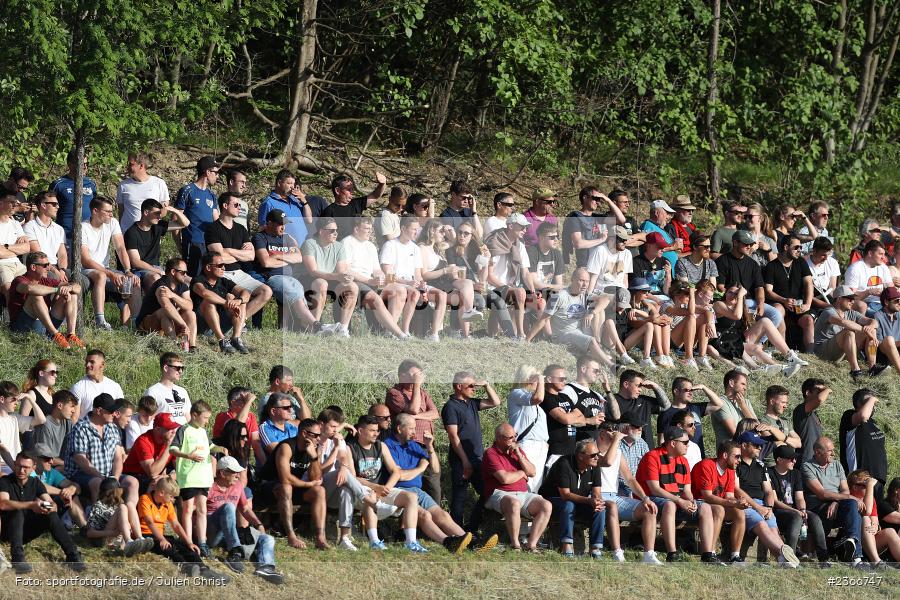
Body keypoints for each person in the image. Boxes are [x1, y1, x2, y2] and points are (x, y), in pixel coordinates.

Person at [383, 414, 474, 553]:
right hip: (399, 491)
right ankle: (448, 542)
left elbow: (436, 469)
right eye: (412, 428)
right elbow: (400, 476)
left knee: (443, 515)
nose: (415, 432)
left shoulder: (414, 445)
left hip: (417, 491)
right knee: (424, 515)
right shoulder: (388, 445)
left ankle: (472, 543)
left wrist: (430, 447)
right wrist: (420, 468)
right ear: (399, 429)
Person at [636, 426, 724, 563]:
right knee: (670, 505)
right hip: (653, 500)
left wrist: (691, 501)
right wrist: (680, 501)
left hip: (675, 500)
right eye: (684, 442)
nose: (688, 445)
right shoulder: (652, 457)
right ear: (672, 443)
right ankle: (672, 553)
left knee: (705, 507)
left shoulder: (683, 461)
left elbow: (686, 491)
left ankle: (707, 554)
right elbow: (655, 489)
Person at [64, 393, 143, 541]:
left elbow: (118, 457)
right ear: (99, 411)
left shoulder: (112, 428)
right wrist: (103, 478)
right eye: (111, 411)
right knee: (97, 483)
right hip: (80, 474)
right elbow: (80, 460)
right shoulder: (81, 428)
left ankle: (128, 519)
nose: (115, 414)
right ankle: (98, 526)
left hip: (108, 473)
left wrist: (115, 478)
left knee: (132, 482)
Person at [344, 415, 428, 553]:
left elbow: (395, 471)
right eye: (372, 430)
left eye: (377, 430)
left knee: (411, 497)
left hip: (380, 490)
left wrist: (386, 488)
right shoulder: (350, 448)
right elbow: (353, 477)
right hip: (361, 492)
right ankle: (374, 541)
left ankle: (411, 542)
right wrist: (375, 487)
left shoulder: (381, 446)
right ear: (360, 431)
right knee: (370, 497)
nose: (376, 433)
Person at [0, 451, 85, 573]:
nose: (21, 470)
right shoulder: (5, 481)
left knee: (50, 514)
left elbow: (51, 503)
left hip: (25, 531)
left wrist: (51, 506)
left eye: (26, 467)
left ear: (33, 468)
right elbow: (3, 503)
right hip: (7, 530)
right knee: (17, 511)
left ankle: (73, 555)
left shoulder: (36, 483)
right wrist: (31, 505)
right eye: (19, 466)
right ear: (14, 464)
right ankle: (17, 558)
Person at [206, 456, 284, 582]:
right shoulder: (209, 487)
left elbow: (245, 509)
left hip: (231, 532)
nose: (238, 475)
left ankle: (266, 567)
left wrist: (258, 524)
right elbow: (195, 511)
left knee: (267, 538)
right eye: (234, 472)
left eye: (238, 472)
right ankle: (235, 553)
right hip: (212, 532)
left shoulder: (237, 486)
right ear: (222, 472)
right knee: (228, 507)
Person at [441, 371, 502, 532]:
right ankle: (456, 531)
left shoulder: (472, 403)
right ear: (459, 386)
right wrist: (465, 460)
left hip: (477, 458)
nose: (474, 388)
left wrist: (487, 385)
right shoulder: (450, 407)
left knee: (487, 492)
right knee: (459, 497)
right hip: (461, 460)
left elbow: (496, 402)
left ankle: (472, 528)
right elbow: (453, 436)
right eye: (470, 385)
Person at [255, 418, 329, 550]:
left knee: (319, 491)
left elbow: (316, 478)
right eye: (316, 435)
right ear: (304, 433)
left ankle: (320, 537)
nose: (319, 438)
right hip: (268, 487)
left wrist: (313, 457)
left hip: (293, 488)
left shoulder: (313, 449)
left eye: (320, 435)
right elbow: (285, 478)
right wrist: (307, 485)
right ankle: (291, 536)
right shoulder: (287, 447)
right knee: (286, 488)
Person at [594, 422, 662, 564]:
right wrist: (618, 440)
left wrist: (645, 498)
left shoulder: (618, 453)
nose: (615, 432)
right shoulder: (592, 450)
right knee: (612, 505)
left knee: (649, 510)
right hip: (596, 494)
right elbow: (607, 461)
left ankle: (648, 554)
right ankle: (617, 552)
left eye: (615, 430)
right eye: (611, 430)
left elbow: (630, 479)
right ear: (601, 433)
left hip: (613, 495)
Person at [138, 477, 229, 581]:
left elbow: (176, 524)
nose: (173, 500)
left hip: (161, 536)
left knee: (185, 547)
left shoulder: (167, 504)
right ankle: (185, 566)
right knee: (168, 548)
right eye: (171, 496)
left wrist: (189, 542)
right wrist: (162, 539)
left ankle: (204, 569)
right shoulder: (145, 499)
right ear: (162, 493)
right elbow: (149, 523)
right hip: (147, 536)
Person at [342, 216, 419, 337]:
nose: (370, 231)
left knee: (400, 290)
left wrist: (381, 278)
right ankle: (398, 333)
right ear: (356, 229)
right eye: (366, 228)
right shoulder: (347, 242)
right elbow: (347, 270)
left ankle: (389, 331)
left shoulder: (370, 246)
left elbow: (377, 269)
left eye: (370, 228)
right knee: (377, 297)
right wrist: (370, 280)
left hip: (371, 281)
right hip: (355, 281)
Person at [733, 430, 801, 566]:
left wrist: (768, 507)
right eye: (756, 445)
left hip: (763, 505)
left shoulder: (761, 465)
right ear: (745, 445)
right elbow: (736, 489)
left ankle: (784, 560)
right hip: (744, 504)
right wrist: (758, 507)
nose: (760, 448)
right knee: (762, 525)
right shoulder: (736, 464)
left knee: (772, 528)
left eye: (760, 445)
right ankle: (786, 556)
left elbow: (769, 491)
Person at [482, 423, 552, 551]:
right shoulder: (491, 453)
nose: (514, 440)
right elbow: (504, 479)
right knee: (513, 503)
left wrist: (519, 455)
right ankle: (516, 545)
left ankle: (531, 544)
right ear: (499, 438)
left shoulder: (517, 452)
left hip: (523, 494)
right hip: (500, 493)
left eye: (515, 436)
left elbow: (532, 472)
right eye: (510, 438)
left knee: (546, 505)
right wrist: (521, 473)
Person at [527, 268, 613, 365]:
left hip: (579, 330)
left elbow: (606, 299)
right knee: (591, 340)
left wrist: (591, 314)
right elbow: (543, 319)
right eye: (581, 281)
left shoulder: (584, 295)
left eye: (587, 281)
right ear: (572, 280)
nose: (585, 285)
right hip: (563, 335)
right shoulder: (558, 296)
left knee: (598, 309)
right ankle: (612, 366)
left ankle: (597, 348)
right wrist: (527, 339)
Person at [251, 209, 320, 331]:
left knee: (300, 294)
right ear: (270, 223)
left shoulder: (287, 238)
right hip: (272, 277)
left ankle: (303, 327)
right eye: (279, 224)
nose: (283, 228)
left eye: (284, 224)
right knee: (295, 295)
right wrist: (288, 259)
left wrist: (277, 256)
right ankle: (315, 325)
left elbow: (299, 258)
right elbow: (266, 262)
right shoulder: (260, 237)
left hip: (290, 277)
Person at [801, 436, 865, 565]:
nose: (833, 453)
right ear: (818, 452)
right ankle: (855, 556)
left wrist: (836, 502)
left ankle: (854, 548)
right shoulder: (807, 466)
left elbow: (845, 490)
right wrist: (848, 497)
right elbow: (822, 494)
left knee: (852, 505)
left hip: (835, 505)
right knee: (852, 501)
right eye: (830, 450)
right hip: (818, 506)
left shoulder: (836, 464)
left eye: (833, 450)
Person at [80, 196, 142, 329]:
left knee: (133, 282)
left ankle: (137, 322)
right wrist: (110, 274)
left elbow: (120, 248)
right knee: (101, 276)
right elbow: (85, 260)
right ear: (95, 211)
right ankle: (100, 320)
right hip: (85, 268)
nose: (111, 214)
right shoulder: (83, 227)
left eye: (111, 211)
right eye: (107, 211)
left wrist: (128, 271)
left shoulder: (112, 222)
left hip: (104, 267)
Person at [385, 359, 442, 503]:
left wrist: (415, 417)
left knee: (433, 484)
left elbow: (435, 413)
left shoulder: (422, 392)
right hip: (408, 446)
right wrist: (416, 385)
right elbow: (413, 408)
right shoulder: (394, 393)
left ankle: (433, 517)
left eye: (418, 375)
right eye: (413, 374)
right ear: (402, 375)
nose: (417, 378)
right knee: (411, 483)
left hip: (426, 445)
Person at [538, 438, 606, 557]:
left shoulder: (594, 465)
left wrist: (596, 501)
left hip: (578, 501)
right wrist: (589, 500)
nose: (597, 457)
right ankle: (567, 546)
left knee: (600, 508)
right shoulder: (564, 463)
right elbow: (565, 494)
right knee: (569, 505)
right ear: (580, 456)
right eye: (593, 455)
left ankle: (595, 549)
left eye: (598, 454)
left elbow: (596, 491)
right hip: (553, 501)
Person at [170, 401, 221, 557]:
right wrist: (188, 456)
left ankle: (202, 542)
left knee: (202, 509)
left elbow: (211, 447)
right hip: (189, 477)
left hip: (203, 477)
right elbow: (173, 449)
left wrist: (221, 448)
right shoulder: (184, 430)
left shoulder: (203, 432)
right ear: (194, 415)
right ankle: (188, 541)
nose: (207, 421)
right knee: (187, 509)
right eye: (205, 418)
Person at [379, 217, 441, 339]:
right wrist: (407, 282)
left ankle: (406, 331)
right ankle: (390, 331)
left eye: (418, 229)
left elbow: (417, 274)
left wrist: (421, 283)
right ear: (403, 228)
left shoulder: (415, 248)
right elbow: (388, 275)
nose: (417, 232)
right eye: (414, 229)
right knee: (410, 292)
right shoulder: (390, 245)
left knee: (434, 294)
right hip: (392, 283)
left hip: (409, 284)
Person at [768, 444, 830, 565]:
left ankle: (823, 558)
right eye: (791, 459)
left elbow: (799, 497)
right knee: (796, 517)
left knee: (814, 518)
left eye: (795, 458)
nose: (794, 461)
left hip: (794, 510)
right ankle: (789, 557)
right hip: (778, 512)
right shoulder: (769, 473)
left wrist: (803, 510)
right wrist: (796, 512)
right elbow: (775, 501)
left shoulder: (795, 474)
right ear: (779, 460)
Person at [8, 252, 83, 348]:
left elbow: (78, 288)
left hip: (44, 326)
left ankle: (71, 335)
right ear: (33, 267)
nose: (49, 268)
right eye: (45, 265)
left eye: (49, 265)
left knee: (72, 294)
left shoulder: (46, 280)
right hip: (22, 329)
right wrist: (57, 290)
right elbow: (30, 289)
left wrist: (69, 288)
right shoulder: (19, 280)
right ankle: (56, 335)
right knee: (36, 296)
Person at [715, 229, 785, 334]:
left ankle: (757, 342)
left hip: (751, 301)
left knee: (776, 315)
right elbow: (720, 287)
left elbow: (759, 288)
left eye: (751, 244)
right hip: (731, 301)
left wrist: (760, 303)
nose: (749, 247)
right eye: (745, 243)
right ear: (735, 242)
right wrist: (737, 299)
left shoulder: (752, 264)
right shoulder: (722, 261)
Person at [301, 217, 359, 337]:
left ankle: (343, 328)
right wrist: (338, 276)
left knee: (352, 286)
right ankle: (314, 328)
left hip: (331, 280)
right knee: (322, 283)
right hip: (309, 280)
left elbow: (341, 271)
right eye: (332, 230)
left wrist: (345, 277)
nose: (336, 233)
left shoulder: (338, 246)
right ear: (322, 231)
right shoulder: (310, 243)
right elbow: (313, 271)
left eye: (336, 230)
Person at [813, 284, 881, 378]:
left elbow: (873, 322)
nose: (852, 301)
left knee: (872, 330)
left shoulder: (851, 313)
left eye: (853, 299)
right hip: (823, 353)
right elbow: (843, 322)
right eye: (849, 298)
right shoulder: (828, 312)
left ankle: (872, 368)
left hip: (841, 352)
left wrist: (870, 328)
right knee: (849, 332)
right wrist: (865, 331)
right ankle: (855, 370)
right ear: (839, 299)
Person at [191, 252, 252, 354]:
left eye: (224, 265)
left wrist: (238, 301)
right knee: (208, 302)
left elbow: (245, 292)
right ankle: (222, 340)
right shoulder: (198, 280)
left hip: (219, 323)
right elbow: (204, 293)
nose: (223, 268)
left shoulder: (224, 281)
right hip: (201, 325)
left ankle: (236, 338)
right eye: (220, 265)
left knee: (241, 302)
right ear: (208, 267)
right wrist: (226, 303)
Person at [485, 212, 533, 339]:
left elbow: (526, 272)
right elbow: (489, 276)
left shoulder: (520, 246)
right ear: (510, 226)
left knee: (523, 293)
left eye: (526, 227)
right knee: (518, 293)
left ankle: (497, 334)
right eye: (522, 227)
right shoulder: (494, 243)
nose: (525, 230)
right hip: (490, 286)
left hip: (507, 286)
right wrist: (508, 287)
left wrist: (533, 290)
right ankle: (520, 334)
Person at [763, 234, 815, 350]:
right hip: (779, 302)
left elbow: (809, 283)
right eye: (796, 247)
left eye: (801, 248)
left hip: (797, 304)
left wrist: (808, 304)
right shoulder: (772, 266)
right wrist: (783, 300)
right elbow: (768, 291)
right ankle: (784, 351)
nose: (799, 251)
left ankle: (811, 354)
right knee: (778, 310)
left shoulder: (801, 262)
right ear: (786, 247)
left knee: (808, 320)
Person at [134, 257, 198, 349]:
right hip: (148, 325)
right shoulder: (161, 285)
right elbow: (166, 306)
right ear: (173, 272)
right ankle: (174, 344)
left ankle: (192, 347)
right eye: (183, 272)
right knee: (164, 312)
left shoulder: (183, 286)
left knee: (190, 314)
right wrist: (183, 324)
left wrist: (173, 295)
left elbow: (189, 306)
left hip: (167, 325)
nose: (185, 275)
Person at [124, 199, 188, 289]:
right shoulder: (132, 232)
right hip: (140, 270)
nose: (159, 216)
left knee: (188, 280)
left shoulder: (158, 226)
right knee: (155, 278)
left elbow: (185, 224)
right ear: (146, 212)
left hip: (157, 268)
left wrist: (175, 210)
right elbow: (136, 262)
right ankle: (154, 302)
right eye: (157, 213)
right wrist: (157, 271)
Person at [174, 156, 220, 275]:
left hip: (209, 244)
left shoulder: (212, 195)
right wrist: (180, 244)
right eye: (216, 172)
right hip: (192, 242)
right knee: (192, 277)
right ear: (207, 172)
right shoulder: (187, 190)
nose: (217, 176)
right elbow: (176, 219)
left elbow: (217, 221)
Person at [506, 365, 549, 493]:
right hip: (527, 444)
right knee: (525, 483)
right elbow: (538, 398)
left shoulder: (536, 406)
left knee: (535, 486)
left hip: (540, 446)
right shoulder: (517, 393)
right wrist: (541, 379)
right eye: (537, 378)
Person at [85, 477, 153, 556]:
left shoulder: (117, 504)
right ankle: (128, 541)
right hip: (105, 540)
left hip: (117, 539)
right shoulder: (98, 506)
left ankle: (140, 538)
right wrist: (112, 532)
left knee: (130, 504)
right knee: (122, 507)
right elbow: (89, 533)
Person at [839, 388, 887, 499]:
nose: (873, 405)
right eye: (869, 401)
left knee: (875, 515)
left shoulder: (873, 423)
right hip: (859, 481)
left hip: (878, 480)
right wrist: (873, 398)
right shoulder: (849, 416)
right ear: (859, 403)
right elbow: (863, 416)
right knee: (864, 514)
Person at [656, 377, 722, 456]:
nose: (691, 393)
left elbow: (719, 404)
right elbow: (662, 442)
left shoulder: (695, 407)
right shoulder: (667, 413)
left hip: (698, 455)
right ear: (676, 391)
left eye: (692, 390)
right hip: (680, 458)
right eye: (687, 390)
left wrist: (703, 387)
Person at [847, 470, 900, 569]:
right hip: (854, 544)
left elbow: (875, 520)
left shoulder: (871, 500)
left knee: (890, 532)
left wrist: (876, 525)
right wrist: (870, 486)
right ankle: (877, 562)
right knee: (866, 519)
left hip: (870, 543)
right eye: (865, 484)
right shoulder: (850, 499)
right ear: (855, 487)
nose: (869, 487)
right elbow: (866, 512)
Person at [562, 355, 620, 442]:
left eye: (599, 371)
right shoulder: (569, 390)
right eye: (595, 370)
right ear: (583, 369)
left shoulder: (597, 395)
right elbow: (561, 418)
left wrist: (607, 389)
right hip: (574, 443)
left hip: (592, 445)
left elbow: (616, 415)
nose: (598, 374)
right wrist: (589, 420)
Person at [121, 411, 178, 494]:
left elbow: (181, 470)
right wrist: (169, 447)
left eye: (174, 428)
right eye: (170, 429)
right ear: (157, 429)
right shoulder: (144, 441)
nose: (174, 432)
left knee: (184, 485)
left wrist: (169, 476)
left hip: (156, 477)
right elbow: (152, 473)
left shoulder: (170, 439)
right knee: (157, 485)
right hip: (134, 475)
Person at [613, 369, 671, 448]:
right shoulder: (612, 401)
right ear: (626, 384)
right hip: (623, 451)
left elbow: (666, 406)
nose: (640, 389)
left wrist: (655, 387)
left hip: (647, 452)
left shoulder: (644, 401)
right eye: (637, 386)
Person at [116, 151, 171, 232]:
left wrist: (148, 223)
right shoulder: (123, 185)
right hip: (127, 233)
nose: (127, 167)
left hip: (150, 234)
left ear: (141, 166)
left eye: (131, 164)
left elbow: (164, 211)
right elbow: (121, 211)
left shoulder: (159, 183)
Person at [321, 171, 387, 238]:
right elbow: (324, 236)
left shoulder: (356, 204)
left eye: (352, 189)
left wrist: (382, 184)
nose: (352, 192)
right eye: (348, 189)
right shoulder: (329, 211)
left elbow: (375, 196)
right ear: (337, 190)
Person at [51, 149, 97, 245]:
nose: (85, 167)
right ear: (70, 164)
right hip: (66, 236)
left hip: (89, 235)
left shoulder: (91, 183)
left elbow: (96, 207)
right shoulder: (58, 184)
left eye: (86, 164)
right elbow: (49, 209)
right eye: (81, 163)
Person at [0, 382, 46, 474]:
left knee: (39, 475)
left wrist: (30, 399)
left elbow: (41, 420)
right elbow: (2, 449)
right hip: (4, 467)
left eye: (18, 399)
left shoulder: (14, 418)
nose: (16, 402)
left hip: (18, 465)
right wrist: (16, 469)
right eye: (14, 399)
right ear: (2, 399)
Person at [23, 191, 69, 283]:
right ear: (43, 205)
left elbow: (62, 254)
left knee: (79, 279)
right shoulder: (29, 227)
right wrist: (56, 271)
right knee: (55, 279)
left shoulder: (59, 229)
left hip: (56, 267)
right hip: (39, 267)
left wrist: (62, 270)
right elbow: (38, 255)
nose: (58, 207)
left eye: (58, 204)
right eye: (54, 204)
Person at [213, 387, 263, 466]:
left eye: (247, 401)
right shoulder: (222, 416)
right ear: (233, 403)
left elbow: (256, 443)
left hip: (243, 459)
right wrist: (248, 401)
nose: (248, 405)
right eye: (244, 400)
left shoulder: (251, 417)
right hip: (225, 459)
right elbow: (236, 426)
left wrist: (265, 464)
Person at [562, 187, 611, 268]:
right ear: (585, 198)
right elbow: (578, 244)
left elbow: (621, 219)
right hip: (582, 266)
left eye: (599, 200)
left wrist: (608, 200)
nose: (598, 202)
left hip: (597, 264)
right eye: (595, 198)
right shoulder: (575, 217)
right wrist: (601, 239)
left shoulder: (597, 217)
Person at [710, 369, 757, 449]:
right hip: (729, 454)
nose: (745, 388)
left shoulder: (745, 402)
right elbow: (734, 433)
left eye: (745, 385)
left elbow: (758, 427)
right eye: (742, 384)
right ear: (731, 383)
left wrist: (743, 406)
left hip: (747, 451)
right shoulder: (721, 402)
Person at [29, 389, 78, 466]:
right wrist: (68, 464)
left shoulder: (68, 423)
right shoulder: (45, 425)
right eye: (71, 406)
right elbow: (44, 458)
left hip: (64, 465)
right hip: (49, 468)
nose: (74, 411)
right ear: (60, 406)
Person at [71, 349, 125, 419]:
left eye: (92, 362)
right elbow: (74, 418)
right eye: (86, 362)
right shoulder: (78, 387)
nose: (87, 365)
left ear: (102, 365)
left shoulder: (115, 387)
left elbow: (121, 413)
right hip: (86, 428)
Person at [845, 240, 893, 316]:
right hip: (864, 304)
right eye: (880, 254)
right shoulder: (855, 269)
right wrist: (869, 292)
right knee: (877, 314)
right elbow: (850, 298)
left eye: (884, 254)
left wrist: (887, 294)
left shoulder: (883, 267)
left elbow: (891, 289)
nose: (883, 257)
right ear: (870, 253)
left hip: (881, 304)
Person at [758, 385, 802, 465]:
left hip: (788, 466)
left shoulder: (786, 422)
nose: (785, 406)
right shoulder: (762, 422)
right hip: (771, 466)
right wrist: (789, 441)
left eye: (786, 403)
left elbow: (798, 443)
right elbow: (776, 442)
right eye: (783, 402)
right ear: (772, 401)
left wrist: (783, 438)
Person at [144, 352, 191, 425]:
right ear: (166, 368)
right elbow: (147, 420)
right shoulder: (152, 392)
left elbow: (188, 416)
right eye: (177, 368)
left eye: (182, 368)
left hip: (184, 434)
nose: (180, 371)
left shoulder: (182, 391)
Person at [0, 188, 30, 300]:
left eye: (16, 203)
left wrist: (6, 247)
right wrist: (16, 250)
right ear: (1, 203)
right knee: (9, 289)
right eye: (12, 203)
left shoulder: (15, 224)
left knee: (35, 286)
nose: (15, 206)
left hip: (18, 265)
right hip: (2, 265)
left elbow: (27, 247)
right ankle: (11, 317)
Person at [586, 225, 632, 295]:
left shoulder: (627, 254)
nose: (625, 242)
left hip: (620, 292)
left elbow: (625, 278)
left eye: (626, 239)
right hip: (602, 291)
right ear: (612, 239)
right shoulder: (600, 251)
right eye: (622, 240)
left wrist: (626, 295)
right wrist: (588, 296)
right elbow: (592, 278)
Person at [638, 199, 680, 275]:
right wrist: (672, 248)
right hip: (657, 272)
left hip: (667, 272)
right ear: (657, 213)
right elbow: (648, 248)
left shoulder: (658, 228)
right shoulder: (648, 225)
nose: (669, 217)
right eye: (667, 213)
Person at [792, 378, 829, 463]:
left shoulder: (814, 414)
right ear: (808, 393)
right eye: (819, 391)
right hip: (805, 461)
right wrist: (828, 389)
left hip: (815, 461)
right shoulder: (800, 409)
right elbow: (819, 400)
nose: (822, 393)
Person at [258, 393, 299, 461]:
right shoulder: (264, 428)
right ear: (273, 411)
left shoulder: (293, 427)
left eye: (290, 407)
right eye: (286, 408)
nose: (290, 411)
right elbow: (279, 452)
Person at [870, 286, 900, 376]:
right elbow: (878, 343)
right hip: (883, 354)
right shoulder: (877, 316)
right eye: (897, 301)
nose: (899, 303)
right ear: (886, 302)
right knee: (889, 339)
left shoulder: (899, 314)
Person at [806, 236, 840, 309]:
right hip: (811, 299)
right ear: (814, 251)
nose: (826, 258)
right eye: (823, 255)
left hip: (827, 298)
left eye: (828, 255)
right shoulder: (804, 264)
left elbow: (832, 288)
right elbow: (807, 294)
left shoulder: (832, 263)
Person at [743, 202, 778, 267]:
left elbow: (776, 265)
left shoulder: (769, 240)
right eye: (745, 216)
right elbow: (738, 260)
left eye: (750, 216)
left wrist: (768, 250)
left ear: (760, 218)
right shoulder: (742, 237)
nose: (747, 219)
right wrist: (751, 250)